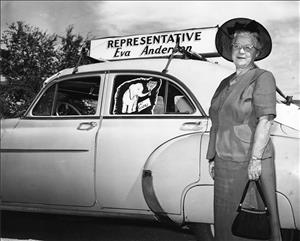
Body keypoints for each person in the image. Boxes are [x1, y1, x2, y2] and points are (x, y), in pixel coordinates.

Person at [206, 18, 282, 241]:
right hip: (224, 161)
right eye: (237, 46)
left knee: (254, 224)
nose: (241, 51)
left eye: (247, 47)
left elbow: (265, 120)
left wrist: (256, 160)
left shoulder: (263, 77)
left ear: (256, 52)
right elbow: (217, 122)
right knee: (225, 222)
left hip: (250, 160)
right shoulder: (224, 82)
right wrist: (212, 157)